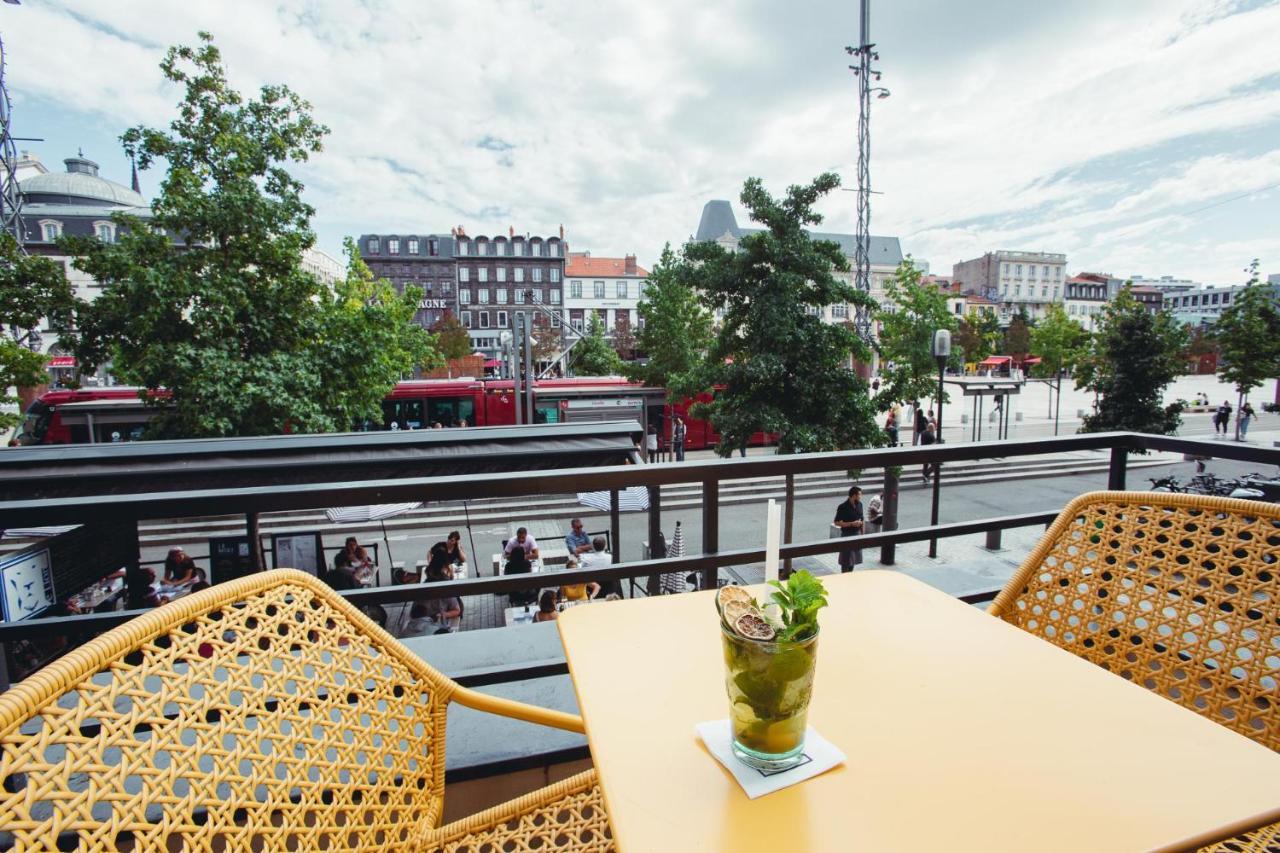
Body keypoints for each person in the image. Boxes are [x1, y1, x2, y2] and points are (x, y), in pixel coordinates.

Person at [833, 486, 864, 573]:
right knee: (845, 559)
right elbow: (836, 522)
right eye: (859, 495)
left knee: (854, 558)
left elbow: (862, 518)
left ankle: (850, 574)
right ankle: (844, 575)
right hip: (847, 534)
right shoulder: (843, 507)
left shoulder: (860, 505)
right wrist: (851, 523)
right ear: (854, 495)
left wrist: (862, 533)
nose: (861, 496)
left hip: (857, 534)